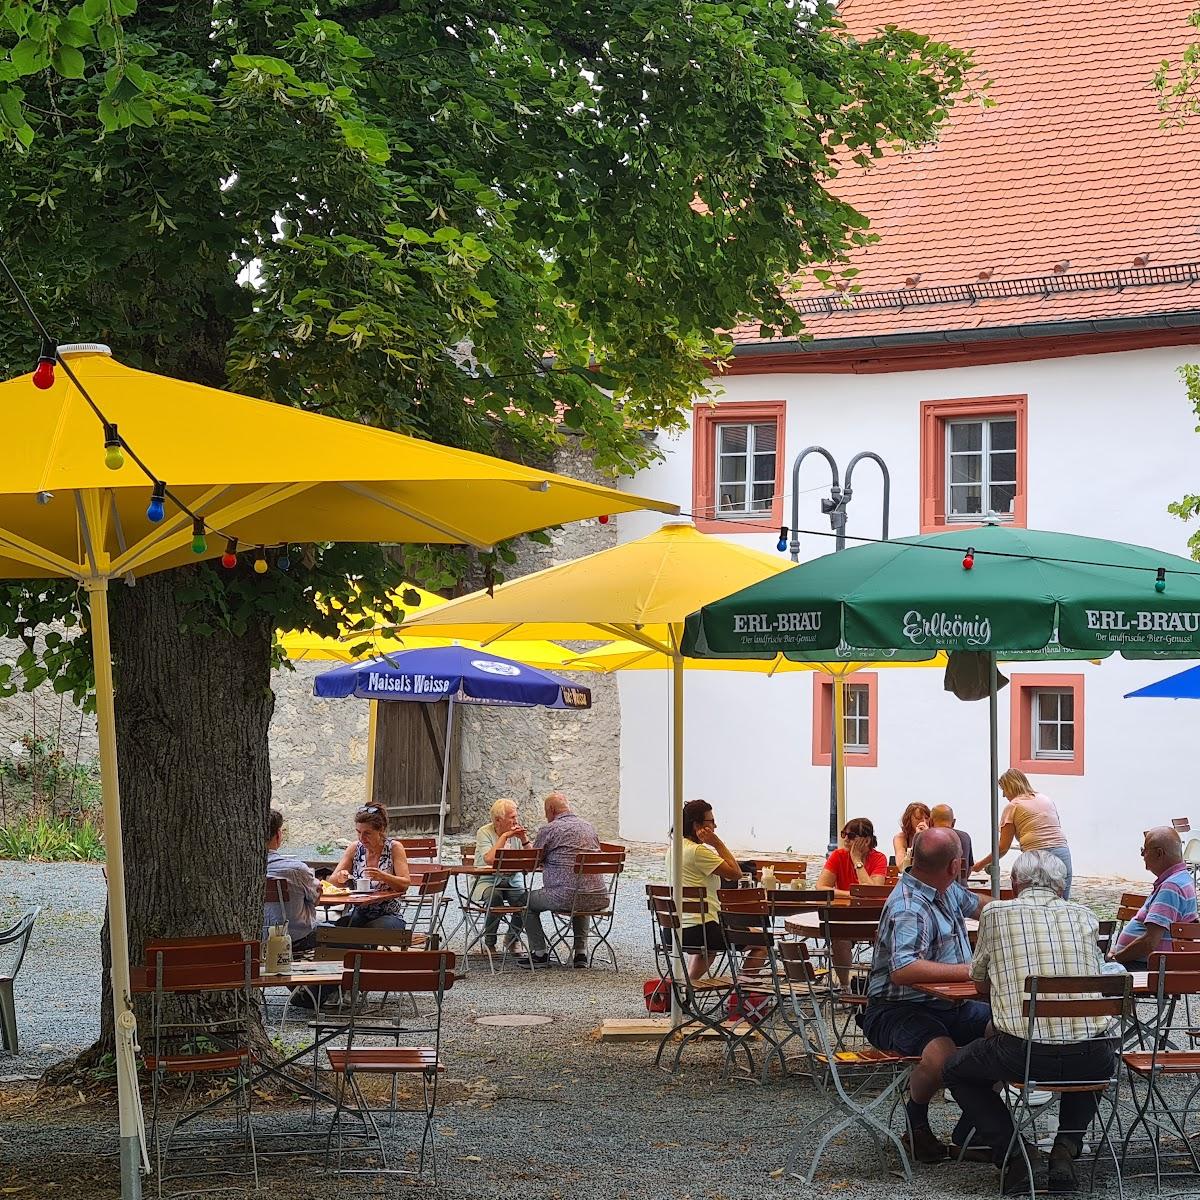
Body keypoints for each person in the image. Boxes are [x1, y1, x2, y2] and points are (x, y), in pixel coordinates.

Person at [944, 850, 1121, 1192]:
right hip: (1092, 1057)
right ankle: (1066, 1147)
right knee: (1089, 1050)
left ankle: (1015, 1153)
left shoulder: (995, 913)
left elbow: (979, 982)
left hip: (1023, 1054)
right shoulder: (1085, 916)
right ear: (1061, 886)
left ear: (1014, 884)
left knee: (955, 1068)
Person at [862, 826, 991, 1163]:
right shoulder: (909, 906)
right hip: (896, 1008)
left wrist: (1020, 911)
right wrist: (971, 971)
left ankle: (975, 1130)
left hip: (949, 1005)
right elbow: (903, 969)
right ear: (954, 866)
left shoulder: (945, 888)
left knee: (1007, 1033)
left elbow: (981, 906)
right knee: (941, 1055)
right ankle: (915, 1124)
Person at [517, 792, 605, 969]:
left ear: (550, 809)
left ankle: (539, 953)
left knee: (523, 901)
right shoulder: (589, 827)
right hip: (597, 895)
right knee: (580, 891)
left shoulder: (550, 829)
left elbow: (534, 861)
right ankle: (580, 952)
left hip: (563, 896)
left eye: (545, 812)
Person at [666, 798, 744, 980]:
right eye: (711, 821)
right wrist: (717, 844)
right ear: (697, 825)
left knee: (707, 951)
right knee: (761, 942)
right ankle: (743, 993)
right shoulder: (697, 851)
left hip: (674, 929)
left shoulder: (674, 848)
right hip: (701, 930)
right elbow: (736, 873)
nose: (715, 826)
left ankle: (687, 988)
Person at [973, 769, 1072, 898]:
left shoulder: (1013, 806)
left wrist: (979, 865)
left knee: (1033, 899)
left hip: (1036, 856)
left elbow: (1002, 847)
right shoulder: (1046, 799)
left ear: (1011, 787)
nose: (1003, 795)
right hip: (1062, 851)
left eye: (1004, 790)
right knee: (1061, 900)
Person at [1109, 825, 1198, 968]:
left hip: (1147, 967)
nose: (1142, 855)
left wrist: (1118, 957)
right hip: (1149, 965)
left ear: (1159, 853)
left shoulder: (1171, 887)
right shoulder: (1180, 879)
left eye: (1144, 850)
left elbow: (1149, 942)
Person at [817, 817, 889, 986]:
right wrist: (852, 895)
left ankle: (879, 985)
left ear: (867, 840)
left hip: (873, 919)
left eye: (851, 836)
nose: (845, 839)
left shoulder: (879, 858)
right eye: (844, 834)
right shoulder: (838, 856)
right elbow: (821, 887)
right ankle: (844, 986)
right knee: (838, 938)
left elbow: (872, 892)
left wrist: (857, 861)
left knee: (888, 939)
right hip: (845, 916)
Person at [329, 803, 411, 930]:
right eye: (358, 832)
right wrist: (341, 878)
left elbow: (405, 884)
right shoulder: (354, 848)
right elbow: (331, 883)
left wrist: (384, 877)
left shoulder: (394, 848)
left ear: (381, 830)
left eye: (367, 833)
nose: (362, 838)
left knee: (370, 930)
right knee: (339, 927)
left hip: (389, 914)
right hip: (360, 912)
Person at [472, 797, 530, 952]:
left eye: (516, 816)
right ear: (498, 820)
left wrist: (524, 839)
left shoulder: (517, 833)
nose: (516, 820)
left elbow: (532, 859)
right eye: (512, 817)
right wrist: (504, 837)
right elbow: (489, 859)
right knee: (494, 897)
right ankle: (489, 943)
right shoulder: (484, 832)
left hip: (512, 880)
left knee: (527, 901)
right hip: (487, 881)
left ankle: (512, 939)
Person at [263, 808, 321, 953]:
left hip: (257, 940)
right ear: (278, 835)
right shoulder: (297, 870)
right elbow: (316, 899)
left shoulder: (243, 871)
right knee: (333, 931)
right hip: (295, 940)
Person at [930, 804, 974, 883]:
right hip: (960, 888)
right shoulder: (965, 837)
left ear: (931, 822)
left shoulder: (923, 837)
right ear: (953, 822)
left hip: (930, 889)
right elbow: (969, 869)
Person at [893, 802, 931, 869]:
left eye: (927, 818)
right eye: (919, 818)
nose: (924, 822)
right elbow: (901, 867)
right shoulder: (900, 838)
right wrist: (917, 840)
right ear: (909, 820)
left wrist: (928, 837)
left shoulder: (934, 836)